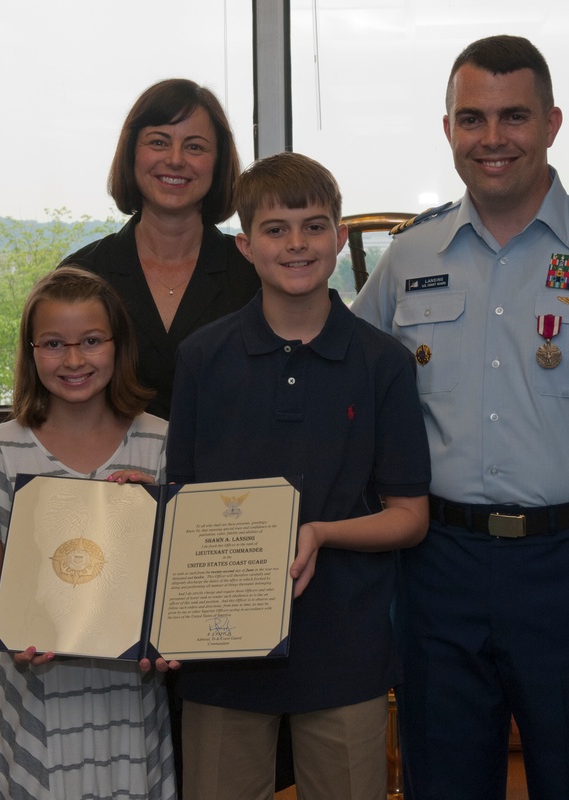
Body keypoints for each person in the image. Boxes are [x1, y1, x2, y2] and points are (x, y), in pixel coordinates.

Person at [351, 35, 569, 800]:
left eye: (513, 116)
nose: (492, 139)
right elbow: (349, 402)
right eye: (471, 118)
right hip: (437, 570)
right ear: (447, 128)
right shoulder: (408, 258)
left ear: (551, 123)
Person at [165, 151, 432, 799]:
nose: (296, 244)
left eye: (314, 226)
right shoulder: (202, 357)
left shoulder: (383, 363)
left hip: (344, 651)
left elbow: (411, 517)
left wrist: (319, 531)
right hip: (221, 651)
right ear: (245, 246)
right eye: (276, 229)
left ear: (339, 239)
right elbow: (180, 510)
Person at [0, 266, 177, 799]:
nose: (73, 360)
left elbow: (178, 581)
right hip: (36, 703)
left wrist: (162, 509)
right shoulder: (0, 449)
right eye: (54, 344)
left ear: (119, 346)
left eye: (91, 341)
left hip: (130, 703)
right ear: (31, 352)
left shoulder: (162, 445)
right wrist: (18, 628)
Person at [65, 78, 260, 419]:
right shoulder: (82, 274)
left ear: (219, 162)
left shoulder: (253, 272)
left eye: (195, 147)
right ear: (131, 154)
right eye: (158, 142)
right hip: (108, 471)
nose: (175, 159)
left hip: (230, 471)